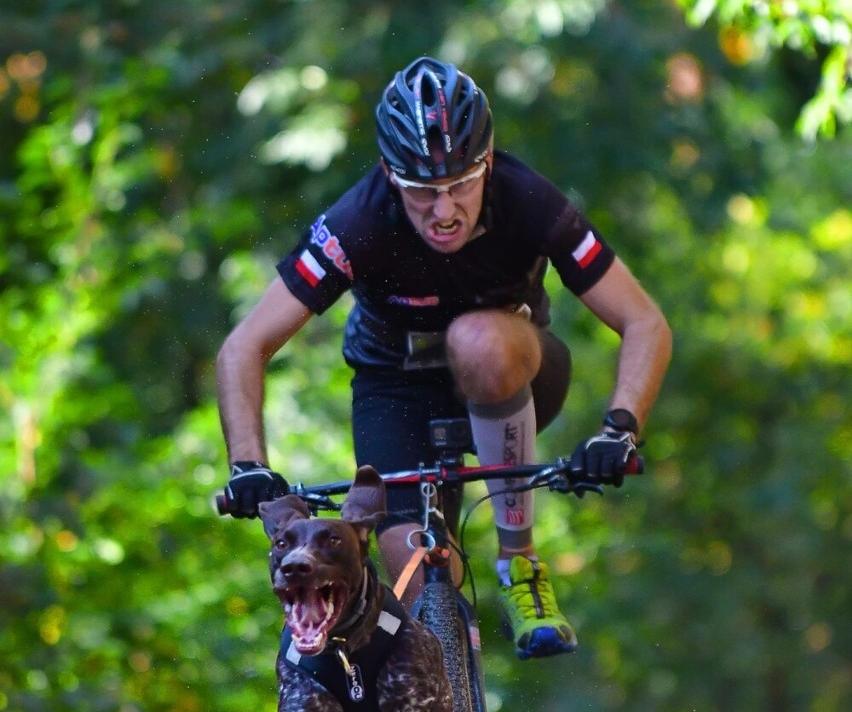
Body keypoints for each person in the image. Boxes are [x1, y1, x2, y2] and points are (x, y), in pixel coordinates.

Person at [216, 56, 672, 659]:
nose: (446, 210)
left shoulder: (527, 199)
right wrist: (248, 464)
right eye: (423, 193)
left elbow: (644, 321)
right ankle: (447, 697)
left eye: (461, 184)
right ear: (389, 173)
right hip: (395, 387)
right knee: (410, 584)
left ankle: (520, 565)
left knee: (478, 338)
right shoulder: (357, 221)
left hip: (512, 369)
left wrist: (621, 429)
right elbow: (245, 345)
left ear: (487, 161)